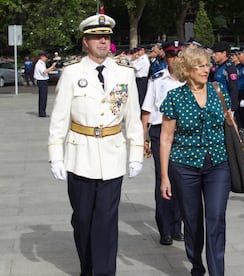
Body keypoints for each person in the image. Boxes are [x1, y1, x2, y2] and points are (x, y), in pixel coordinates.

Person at [47, 13, 144, 275]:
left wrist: (136, 153)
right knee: (82, 220)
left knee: (106, 221)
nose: (102, 41)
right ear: (85, 42)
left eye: (106, 37)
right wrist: (56, 155)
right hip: (80, 157)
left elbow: (133, 117)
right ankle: (87, 268)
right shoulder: (71, 73)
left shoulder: (125, 73)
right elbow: (59, 119)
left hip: (112, 155)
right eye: (96, 37)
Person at [159, 46, 232, 276]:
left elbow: (231, 126)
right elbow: (166, 138)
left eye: (207, 64)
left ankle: (217, 271)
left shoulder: (219, 91)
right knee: (192, 221)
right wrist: (164, 177)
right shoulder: (175, 97)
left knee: (216, 217)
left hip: (218, 164)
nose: (205, 69)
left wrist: (241, 164)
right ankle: (197, 267)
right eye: (199, 65)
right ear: (187, 69)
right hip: (184, 166)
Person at [141, 40, 184, 246]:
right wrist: (143, 137)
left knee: (182, 180)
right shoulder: (157, 80)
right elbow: (147, 111)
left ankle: (177, 225)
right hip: (160, 133)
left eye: (178, 55)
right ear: (166, 58)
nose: (175, 59)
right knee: (164, 178)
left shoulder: (190, 80)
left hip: (184, 135)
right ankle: (165, 228)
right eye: (171, 55)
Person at [211, 41, 239, 111]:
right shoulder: (218, 67)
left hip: (226, 105)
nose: (213, 55)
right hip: (217, 104)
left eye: (215, 53)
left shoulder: (229, 68)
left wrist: (232, 108)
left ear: (224, 53)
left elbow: (233, 88)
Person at [33, 52, 56, 117]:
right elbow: (44, 71)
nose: (46, 58)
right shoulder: (39, 63)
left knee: (44, 97)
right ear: (42, 57)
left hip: (44, 80)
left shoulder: (42, 63)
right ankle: (42, 112)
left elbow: (46, 71)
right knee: (42, 97)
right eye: (46, 57)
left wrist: (52, 68)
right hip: (41, 81)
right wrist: (52, 66)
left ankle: (43, 111)